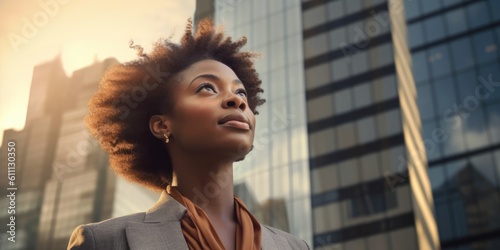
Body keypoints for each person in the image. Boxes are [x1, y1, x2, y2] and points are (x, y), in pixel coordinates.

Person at [67, 18, 309, 250]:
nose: (237, 100)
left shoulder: (293, 246)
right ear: (162, 126)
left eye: (242, 93)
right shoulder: (105, 242)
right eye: (207, 88)